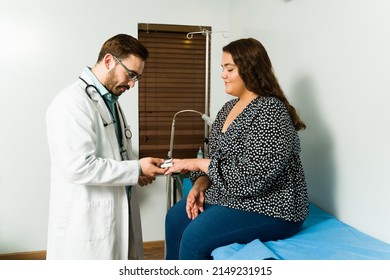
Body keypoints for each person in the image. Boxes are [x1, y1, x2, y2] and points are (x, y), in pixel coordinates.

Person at [164, 38, 309, 260]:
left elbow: (252, 178)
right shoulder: (228, 109)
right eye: (222, 68)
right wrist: (200, 186)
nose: (223, 74)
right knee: (175, 218)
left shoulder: (271, 111)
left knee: (194, 238)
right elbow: (215, 160)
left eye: (229, 69)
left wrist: (196, 163)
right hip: (232, 196)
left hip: (270, 206)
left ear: (250, 69)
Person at [46, 34, 167, 260]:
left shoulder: (109, 101)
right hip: (86, 220)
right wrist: (136, 169)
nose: (132, 84)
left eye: (137, 78)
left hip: (117, 209)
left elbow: (113, 153)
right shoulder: (71, 102)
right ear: (109, 61)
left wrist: (135, 171)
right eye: (130, 75)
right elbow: (78, 167)